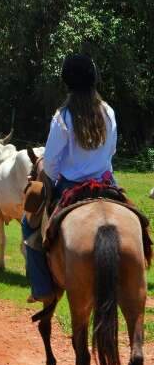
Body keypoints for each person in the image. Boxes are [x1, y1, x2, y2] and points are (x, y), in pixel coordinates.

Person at [23, 53, 117, 302]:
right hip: (106, 182)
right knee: (137, 221)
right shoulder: (108, 112)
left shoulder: (63, 116)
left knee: (28, 224)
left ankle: (42, 289)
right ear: (94, 80)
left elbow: (52, 162)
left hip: (70, 186)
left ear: (68, 83)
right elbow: (111, 152)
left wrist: (48, 177)